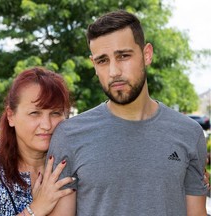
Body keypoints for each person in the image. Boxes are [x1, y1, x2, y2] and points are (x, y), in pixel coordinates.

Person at [47, 10, 209, 215]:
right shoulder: (69, 135)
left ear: (146, 54)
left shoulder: (189, 133)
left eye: (123, 56)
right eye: (102, 60)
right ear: (94, 65)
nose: (113, 71)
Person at [0, 67, 76, 215]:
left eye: (55, 113)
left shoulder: (73, 167)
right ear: (11, 116)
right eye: (35, 113)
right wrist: (36, 209)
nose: (47, 125)